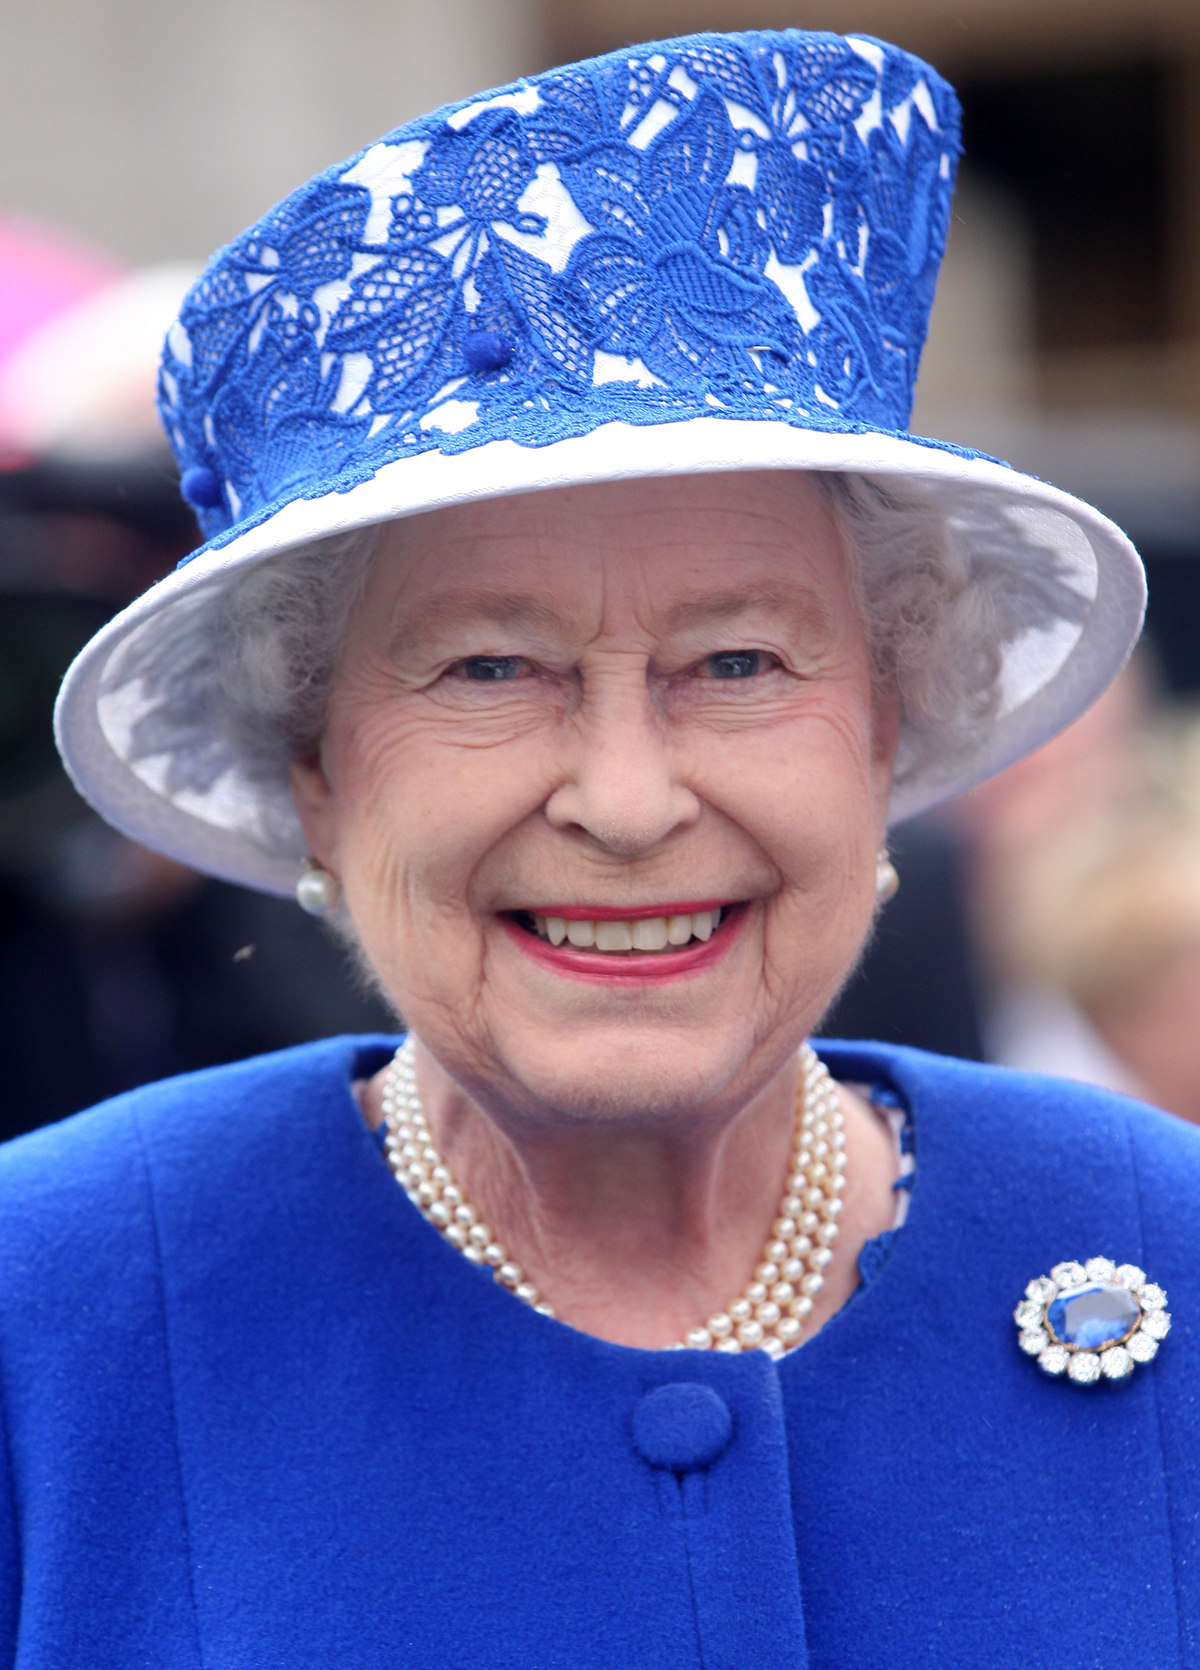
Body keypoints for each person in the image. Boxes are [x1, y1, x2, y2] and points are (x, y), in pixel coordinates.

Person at [3, 28, 1195, 1667]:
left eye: (740, 662)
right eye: (492, 667)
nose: (626, 802)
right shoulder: (46, 1311)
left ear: (884, 731)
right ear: (316, 775)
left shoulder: (1169, 1239)